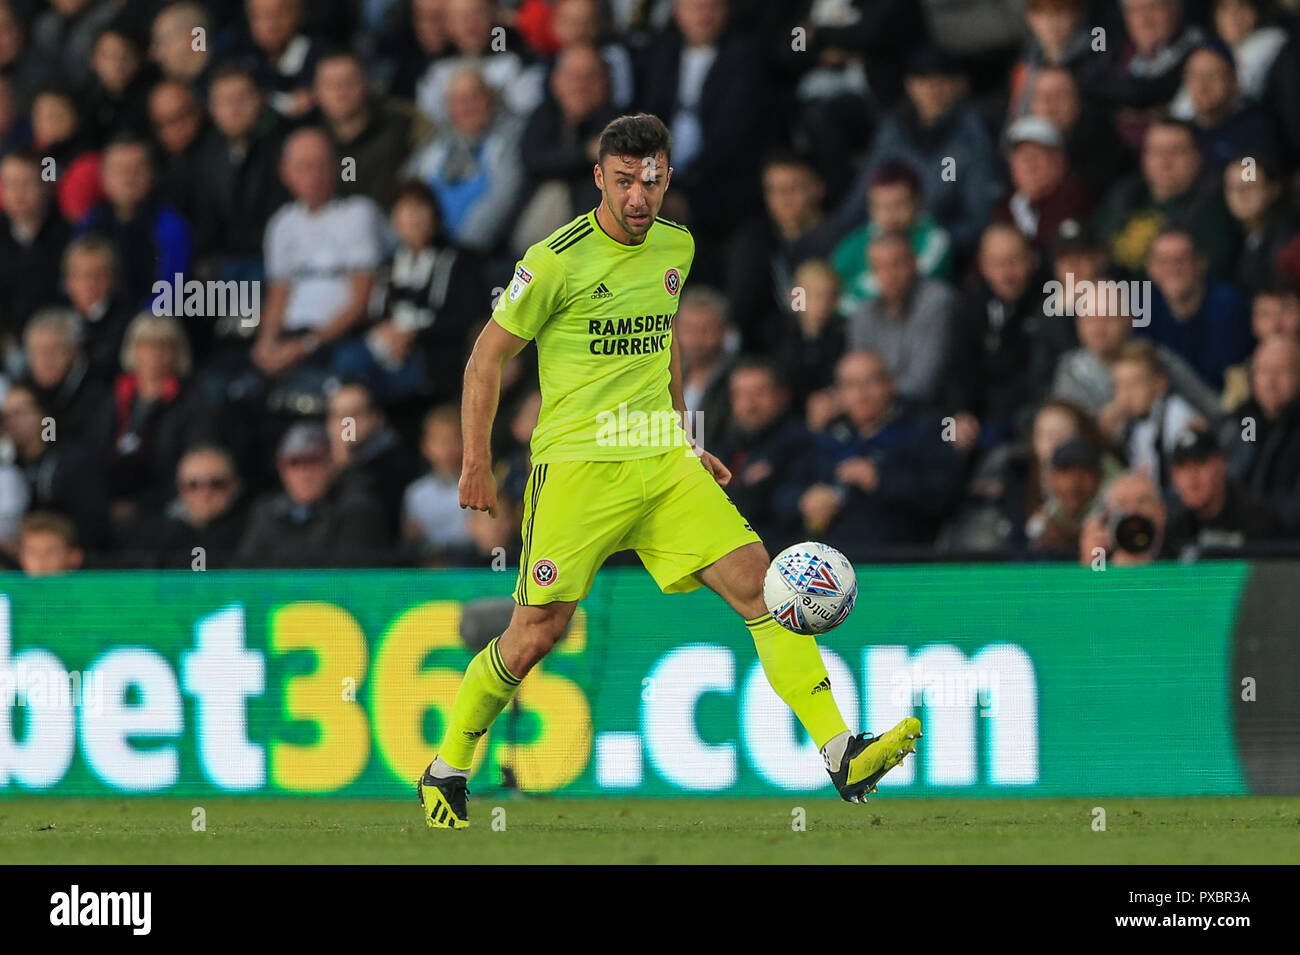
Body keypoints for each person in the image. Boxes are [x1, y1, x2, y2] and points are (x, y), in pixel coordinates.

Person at [417, 114, 921, 829]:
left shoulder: (676, 246)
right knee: (535, 633)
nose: (637, 195)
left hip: (661, 460)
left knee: (763, 586)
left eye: (650, 179)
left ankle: (841, 751)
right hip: (578, 470)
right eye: (623, 180)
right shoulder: (555, 259)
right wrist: (475, 459)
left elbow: (665, 343)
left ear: (666, 178)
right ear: (599, 178)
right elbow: (485, 358)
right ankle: (449, 763)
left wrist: (686, 434)